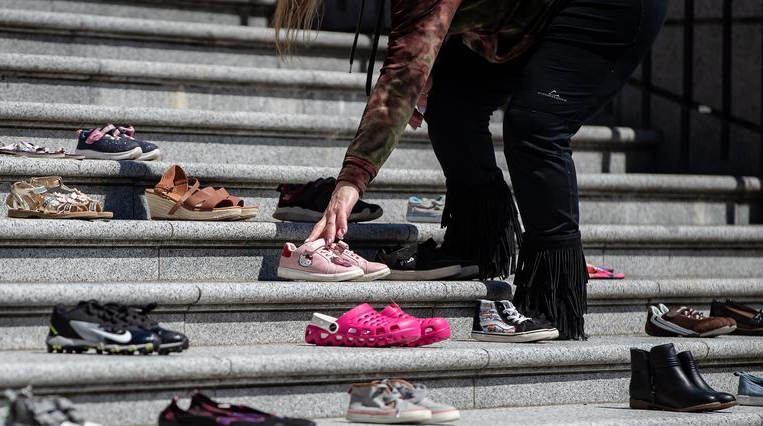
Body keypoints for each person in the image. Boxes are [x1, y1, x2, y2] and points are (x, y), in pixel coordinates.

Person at [273, 0, 669, 339]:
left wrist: (351, 181)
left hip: (609, 8)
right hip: (525, 15)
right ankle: (475, 243)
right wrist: (429, 61)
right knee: (451, 100)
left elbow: (402, 74)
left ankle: (553, 301)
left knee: (536, 124)